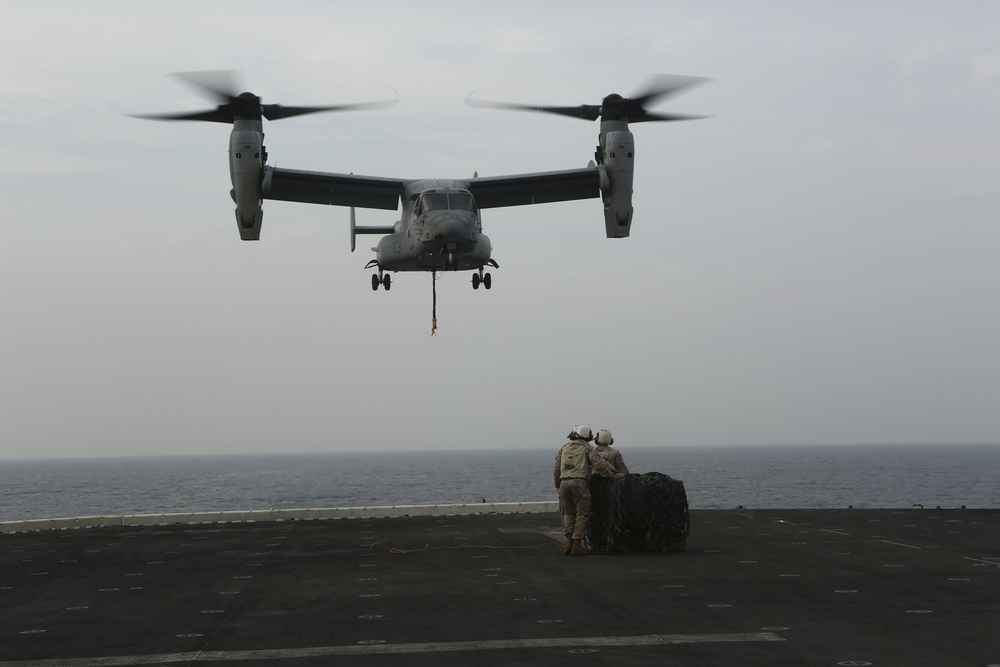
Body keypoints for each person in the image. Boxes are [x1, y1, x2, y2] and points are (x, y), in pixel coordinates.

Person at [554, 425, 623, 556]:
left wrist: (558, 484)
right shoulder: (587, 448)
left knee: (567, 514)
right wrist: (612, 475)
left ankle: (568, 543)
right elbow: (599, 464)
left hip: (564, 483)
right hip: (579, 483)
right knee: (582, 513)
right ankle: (577, 545)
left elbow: (557, 468)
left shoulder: (564, 448)